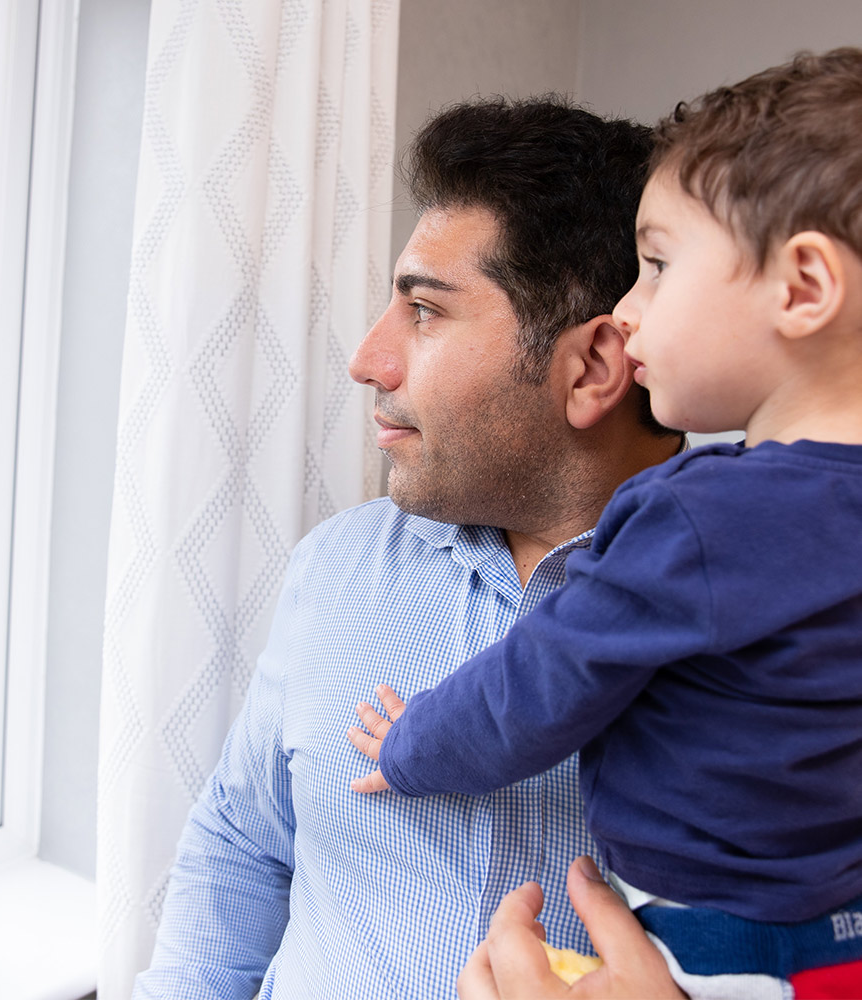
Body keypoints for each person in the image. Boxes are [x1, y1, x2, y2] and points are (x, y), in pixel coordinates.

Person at [133, 95, 684, 1000]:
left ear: (590, 367)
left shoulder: (791, 621)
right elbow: (241, 842)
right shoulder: (337, 566)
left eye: (425, 312)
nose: (367, 359)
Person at [349, 49, 862, 1000]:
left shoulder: (699, 517)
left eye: (658, 268)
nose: (627, 311)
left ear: (801, 289)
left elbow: (540, 680)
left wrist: (413, 747)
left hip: (702, 941)